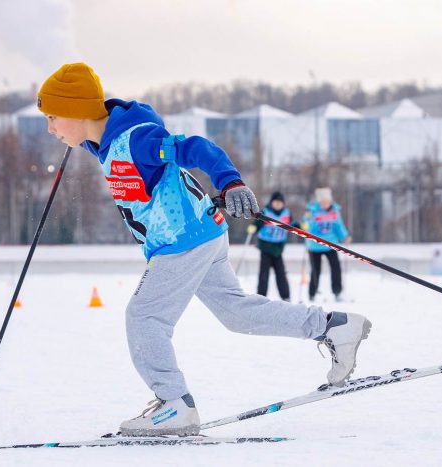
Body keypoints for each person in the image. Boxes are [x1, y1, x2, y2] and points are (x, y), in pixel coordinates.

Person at [37, 63, 372, 437]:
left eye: (52, 117)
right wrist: (77, 137)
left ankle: (174, 405)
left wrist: (231, 182)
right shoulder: (101, 141)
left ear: (77, 109)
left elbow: (196, 148)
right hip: (201, 234)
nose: (50, 128)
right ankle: (334, 327)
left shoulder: (137, 139)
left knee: (144, 317)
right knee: (236, 313)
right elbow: (92, 136)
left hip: (183, 241)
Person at [302, 188, 350, 302]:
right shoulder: (312, 211)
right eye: (323, 202)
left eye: (327, 201)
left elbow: (338, 225)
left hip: (331, 244)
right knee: (315, 270)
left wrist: (344, 236)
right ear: (319, 202)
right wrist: (307, 219)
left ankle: (337, 292)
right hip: (315, 245)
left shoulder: (334, 211)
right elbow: (306, 226)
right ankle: (312, 294)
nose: (325, 204)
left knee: (336, 268)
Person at [247, 191, 293, 301]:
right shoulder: (266, 212)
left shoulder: (286, 213)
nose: (278, 204)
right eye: (275, 202)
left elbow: (292, 225)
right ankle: (261, 296)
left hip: (278, 249)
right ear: (271, 202)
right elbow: (257, 223)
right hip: (266, 248)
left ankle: (285, 296)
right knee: (264, 274)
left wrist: (300, 226)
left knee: (281, 274)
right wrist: (253, 228)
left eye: (280, 202)